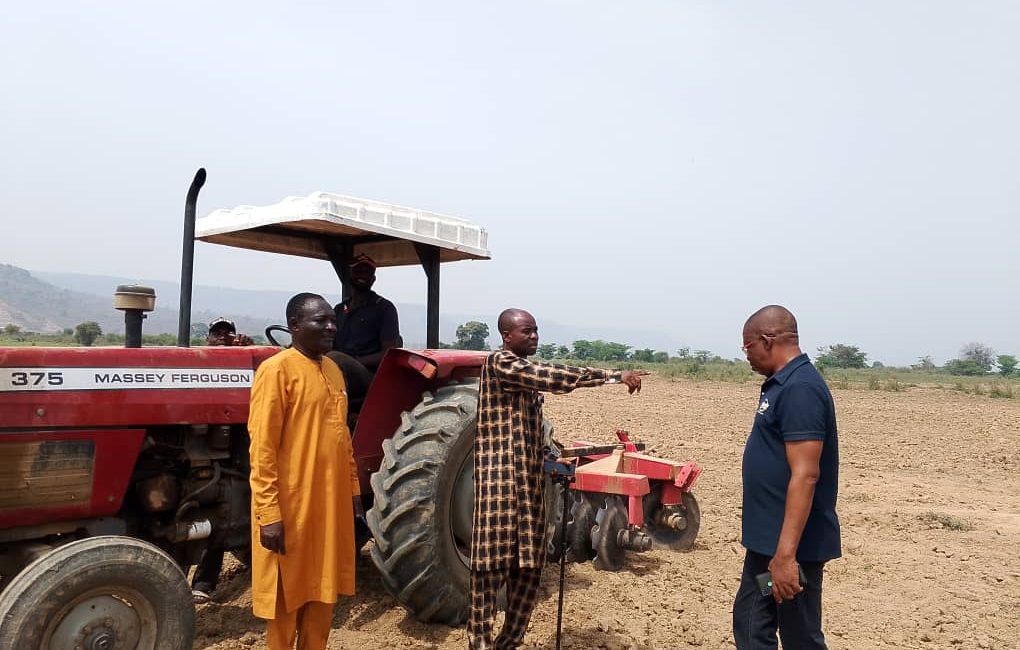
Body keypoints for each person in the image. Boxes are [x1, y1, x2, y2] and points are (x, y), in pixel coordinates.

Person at [469, 308, 647, 650]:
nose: (534, 336)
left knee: (528, 571)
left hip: (529, 493)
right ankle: (480, 644)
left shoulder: (526, 384)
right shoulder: (501, 364)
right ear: (507, 336)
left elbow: (528, 430)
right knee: (489, 571)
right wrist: (613, 376)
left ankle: (509, 643)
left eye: (536, 330)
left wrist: (548, 458)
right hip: (499, 493)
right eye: (527, 331)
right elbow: (550, 375)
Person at [248, 293, 362, 650]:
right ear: (294, 326)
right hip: (290, 508)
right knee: (286, 597)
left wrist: (354, 493)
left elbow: (343, 439)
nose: (331, 327)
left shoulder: (333, 370)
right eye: (320, 320)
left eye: (333, 320)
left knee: (323, 593)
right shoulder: (277, 371)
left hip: (329, 508)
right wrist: (269, 514)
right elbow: (262, 449)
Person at [733, 305, 840, 649]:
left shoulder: (800, 389)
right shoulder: (782, 384)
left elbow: (806, 474)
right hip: (769, 546)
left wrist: (785, 557)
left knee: (799, 634)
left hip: (793, 552)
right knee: (753, 621)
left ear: (767, 340)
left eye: (747, 346)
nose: (746, 355)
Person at [192, 317, 255, 604]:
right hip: (207, 447)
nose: (222, 337)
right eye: (216, 332)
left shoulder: (242, 362)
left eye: (228, 333)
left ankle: (204, 582)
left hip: (241, 443)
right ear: (207, 338)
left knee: (224, 507)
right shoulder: (197, 365)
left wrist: (246, 349)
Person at [332, 253, 401, 374]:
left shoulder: (384, 308)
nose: (362, 275)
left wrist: (353, 362)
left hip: (367, 373)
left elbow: (389, 353)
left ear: (373, 279)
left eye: (367, 272)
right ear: (350, 275)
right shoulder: (339, 309)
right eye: (358, 271)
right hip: (337, 367)